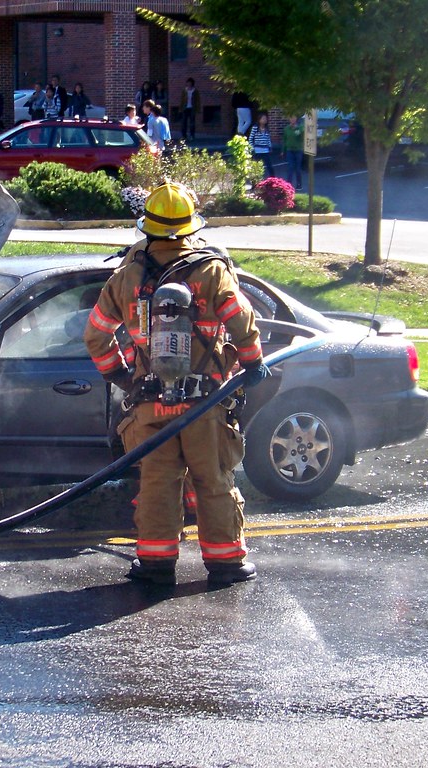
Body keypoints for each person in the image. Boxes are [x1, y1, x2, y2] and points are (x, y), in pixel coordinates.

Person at [83, 183, 268, 587]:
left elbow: (95, 336)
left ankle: (155, 565)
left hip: (150, 405)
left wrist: (121, 378)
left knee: (157, 485)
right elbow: (241, 323)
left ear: (147, 227)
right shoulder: (212, 270)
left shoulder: (127, 276)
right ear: (189, 227)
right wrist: (253, 363)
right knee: (213, 481)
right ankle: (226, 564)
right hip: (206, 403)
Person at [281, 115, 305, 190]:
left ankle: (299, 184)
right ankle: (289, 185)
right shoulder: (286, 129)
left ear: (296, 118)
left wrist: (298, 130)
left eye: (294, 117)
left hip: (298, 150)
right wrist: (282, 151)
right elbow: (284, 140)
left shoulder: (300, 128)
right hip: (289, 150)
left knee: (298, 168)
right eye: (291, 117)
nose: (292, 119)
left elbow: (301, 135)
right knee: (290, 168)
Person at [248, 112, 275, 178]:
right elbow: (251, 139)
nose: (265, 120)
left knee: (270, 167)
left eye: (265, 119)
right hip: (257, 151)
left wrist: (270, 146)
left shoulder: (267, 129)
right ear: (259, 120)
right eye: (263, 118)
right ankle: (255, 182)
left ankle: (273, 181)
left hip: (266, 151)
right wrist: (252, 148)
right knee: (256, 168)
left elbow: (268, 139)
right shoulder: (255, 128)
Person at [179, 77, 197, 142]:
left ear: (192, 83)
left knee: (192, 123)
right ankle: (184, 136)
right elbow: (182, 100)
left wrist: (197, 108)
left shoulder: (195, 90)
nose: (189, 84)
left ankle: (192, 135)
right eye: (188, 82)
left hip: (192, 108)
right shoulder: (184, 90)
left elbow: (197, 100)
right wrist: (181, 108)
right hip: (185, 108)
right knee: (184, 122)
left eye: (190, 82)